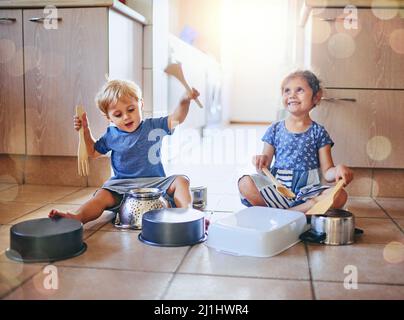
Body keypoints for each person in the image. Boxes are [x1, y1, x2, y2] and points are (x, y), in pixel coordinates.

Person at [49, 79, 200, 223]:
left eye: (131, 109)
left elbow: (177, 118)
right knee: (101, 195)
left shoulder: (154, 126)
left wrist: (184, 101)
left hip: (154, 184)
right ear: (108, 117)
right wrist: (85, 132)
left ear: (141, 104)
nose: (126, 117)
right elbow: (93, 152)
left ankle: (188, 215)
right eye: (118, 114)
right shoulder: (111, 135)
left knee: (181, 180)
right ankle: (78, 217)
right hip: (121, 186)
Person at [238, 70, 354, 213]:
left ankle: (285, 214)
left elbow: (327, 172)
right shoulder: (274, 129)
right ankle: (295, 213)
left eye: (299, 90)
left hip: (308, 193)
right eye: (287, 91)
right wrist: (260, 161)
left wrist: (338, 170)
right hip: (278, 190)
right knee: (245, 183)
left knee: (340, 195)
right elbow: (264, 167)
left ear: (316, 97)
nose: (291, 95)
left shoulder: (319, 132)